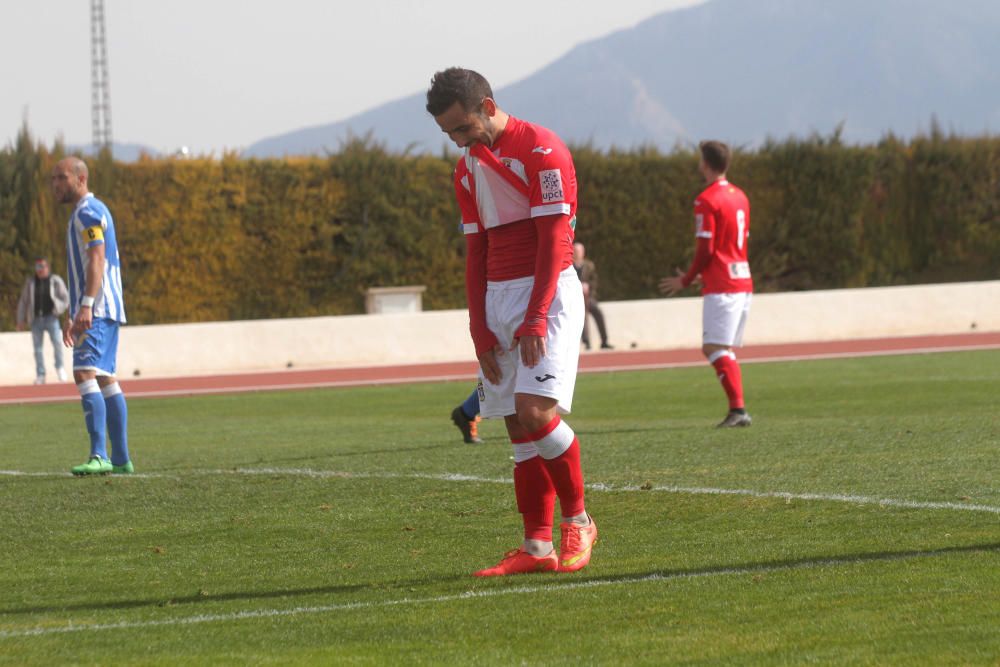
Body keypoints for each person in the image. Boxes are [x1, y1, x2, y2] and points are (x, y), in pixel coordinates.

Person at [427, 67, 596, 576]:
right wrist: (478, 326)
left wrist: (537, 316)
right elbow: (475, 251)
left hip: (545, 294)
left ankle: (580, 521)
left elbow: (553, 241)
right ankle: (536, 547)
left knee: (536, 411)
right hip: (497, 299)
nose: (458, 141)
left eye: (462, 128)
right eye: (449, 134)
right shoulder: (466, 169)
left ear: (487, 105)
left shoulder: (542, 149)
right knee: (517, 429)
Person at [660, 140, 753, 428]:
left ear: (705, 164)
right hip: (742, 280)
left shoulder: (706, 200)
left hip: (724, 286)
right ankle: (737, 409)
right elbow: (733, 246)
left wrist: (687, 278)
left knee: (713, 346)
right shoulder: (741, 196)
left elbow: (707, 249)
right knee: (723, 347)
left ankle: (738, 410)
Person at [51, 157, 134, 475]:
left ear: (80, 179)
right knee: (103, 376)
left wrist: (85, 306)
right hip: (106, 306)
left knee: (84, 373)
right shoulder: (94, 210)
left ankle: (99, 455)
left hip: (97, 308)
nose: (56, 184)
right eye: (53, 178)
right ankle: (121, 458)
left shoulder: (86, 212)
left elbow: (96, 258)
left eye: (62, 177)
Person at [16, 257, 70, 384]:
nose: (40, 270)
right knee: (37, 348)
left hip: (52, 318)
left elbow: (66, 299)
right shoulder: (30, 282)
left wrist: (58, 308)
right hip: (36, 320)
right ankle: (40, 374)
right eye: (37, 267)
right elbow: (23, 302)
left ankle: (60, 367)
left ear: (48, 268)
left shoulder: (55, 281)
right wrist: (20, 320)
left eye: (42, 266)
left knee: (57, 343)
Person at [572, 242, 612, 350]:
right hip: (574, 300)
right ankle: (586, 342)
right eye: (575, 251)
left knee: (598, 312)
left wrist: (588, 286)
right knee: (582, 316)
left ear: (583, 252)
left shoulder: (589, 265)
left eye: (579, 251)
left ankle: (604, 341)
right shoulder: (568, 266)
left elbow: (594, 281)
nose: (577, 253)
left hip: (588, 298)